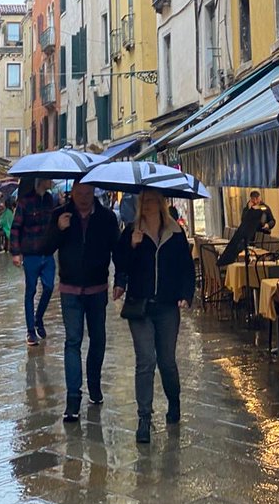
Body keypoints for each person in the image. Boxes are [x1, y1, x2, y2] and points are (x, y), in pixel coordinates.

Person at [113, 190, 196, 443]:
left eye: (152, 201)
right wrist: (132, 246)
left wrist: (186, 294)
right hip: (140, 306)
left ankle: (174, 402)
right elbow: (120, 264)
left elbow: (186, 267)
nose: (147, 205)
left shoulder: (175, 233)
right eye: (144, 201)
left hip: (168, 306)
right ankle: (144, 418)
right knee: (146, 360)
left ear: (161, 204)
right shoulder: (131, 231)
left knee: (167, 361)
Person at [43, 181, 119, 422]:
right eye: (80, 193)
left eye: (88, 193)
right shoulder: (60, 215)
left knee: (98, 339)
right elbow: (46, 247)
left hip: (97, 288)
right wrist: (58, 229)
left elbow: (117, 250)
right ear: (72, 192)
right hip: (70, 289)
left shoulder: (107, 218)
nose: (84, 197)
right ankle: (73, 398)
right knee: (72, 342)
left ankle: (94, 385)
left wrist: (121, 280)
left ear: (94, 192)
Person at [10, 177, 56, 346]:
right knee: (30, 291)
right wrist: (16, 253)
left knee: (49, 287)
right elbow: (16, 228)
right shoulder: (25, 202)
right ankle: (30, 331)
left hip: (47, 253)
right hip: (31, 254)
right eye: (48, 178)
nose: (51, 181)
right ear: (41, 181)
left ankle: (39, 318)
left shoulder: (50, 200)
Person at [218, 190, 276, 268]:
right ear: (251, 199)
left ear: (259, 198)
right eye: (253, 199)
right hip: (250, 236)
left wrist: (268, 225)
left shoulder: (264, 208)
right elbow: (243, 220)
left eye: (257, 199)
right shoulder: (247, 209)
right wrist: (249, 209)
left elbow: (272, 220)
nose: (256, 201)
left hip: (263, 234)